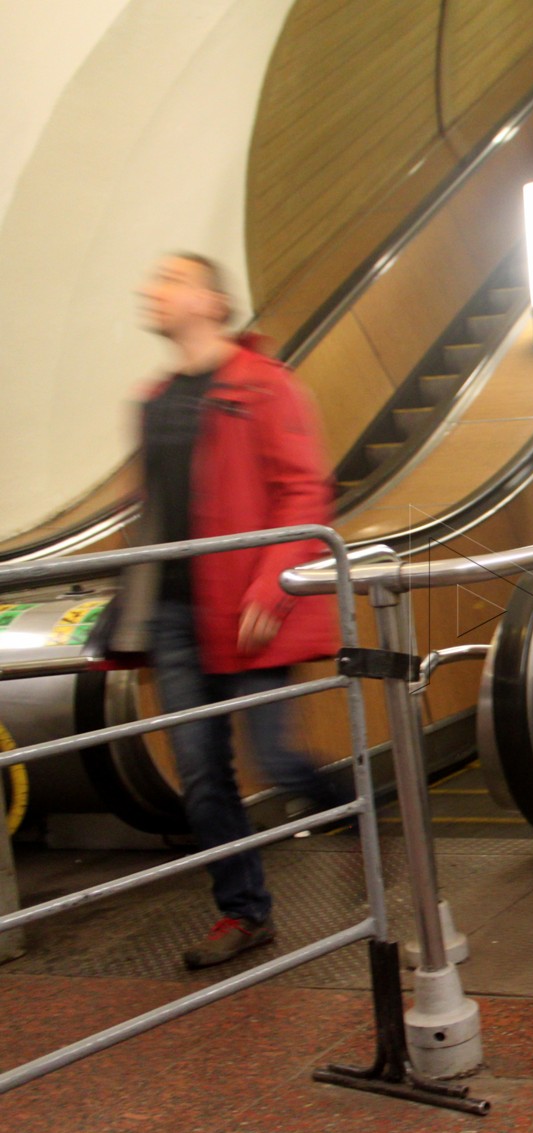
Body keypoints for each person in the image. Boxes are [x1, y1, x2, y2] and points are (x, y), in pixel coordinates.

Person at [110, 253, 342, 969]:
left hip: (244, 609)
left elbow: (303, 493)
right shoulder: (153, 399)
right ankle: (243, 912)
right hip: (177, 616)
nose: (154, 289)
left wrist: (273, 586)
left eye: (171, 279)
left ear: (211, 302)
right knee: (203, 772)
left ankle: (361, 805)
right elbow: (150, 507)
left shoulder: (263, 386)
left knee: (276, 757)